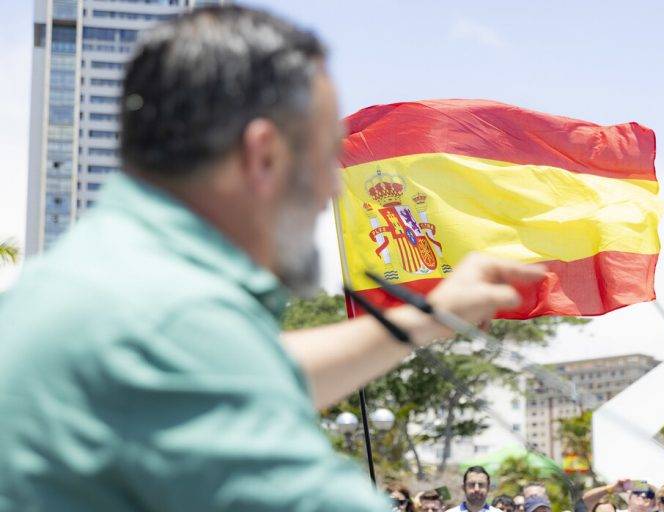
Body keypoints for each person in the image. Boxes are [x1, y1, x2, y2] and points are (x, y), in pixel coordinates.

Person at [0, 5, 545, 512]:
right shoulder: (173, 323)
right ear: (262, 155)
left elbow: (257, 374)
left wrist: (417, 321)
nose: (333, 186)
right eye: (325, 157)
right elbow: (219, 373)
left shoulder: (99, 278)